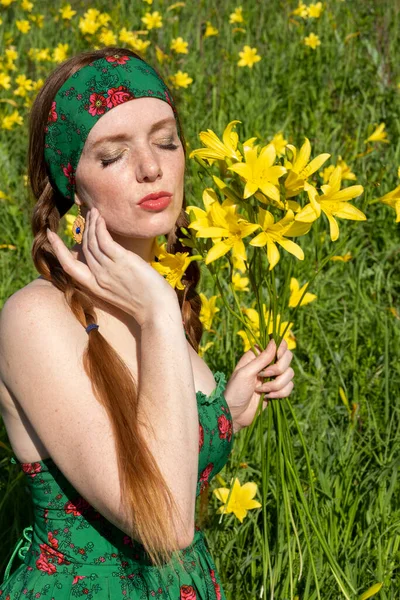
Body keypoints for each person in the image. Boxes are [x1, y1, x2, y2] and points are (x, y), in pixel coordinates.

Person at [0, 46, 294, 599]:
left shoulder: (146, 296)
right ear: (72, 186)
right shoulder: (35, 317)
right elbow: (166, 520)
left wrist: (226, 409)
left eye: (165, 141)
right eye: (112, 156)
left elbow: (167, 449)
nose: (152, 167)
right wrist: (159, 310)